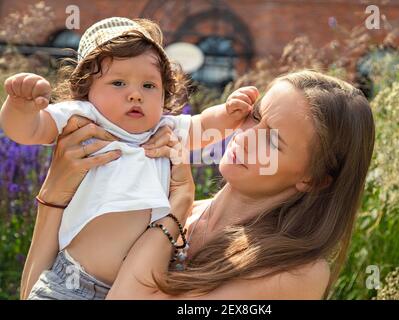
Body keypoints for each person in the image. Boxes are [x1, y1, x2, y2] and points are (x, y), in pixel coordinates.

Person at [21, 70, 375, 300]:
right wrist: (56, 193)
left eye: (273, 142)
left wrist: (177, 204)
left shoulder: (295, 274)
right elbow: (44, 290)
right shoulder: (180, 214)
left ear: (313, 179)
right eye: (254, 116)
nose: (246, 137)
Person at [0, 17, 256, 299]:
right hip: (73, 285)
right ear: (86, 91)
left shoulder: (164, 130)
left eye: (149, 86)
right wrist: (20, 107)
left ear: (164, 95)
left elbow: (204, 126)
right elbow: (29, 131)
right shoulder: (84, 117)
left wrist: (230, 112)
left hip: (137, 288)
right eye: (118, 83)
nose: (135, 95)